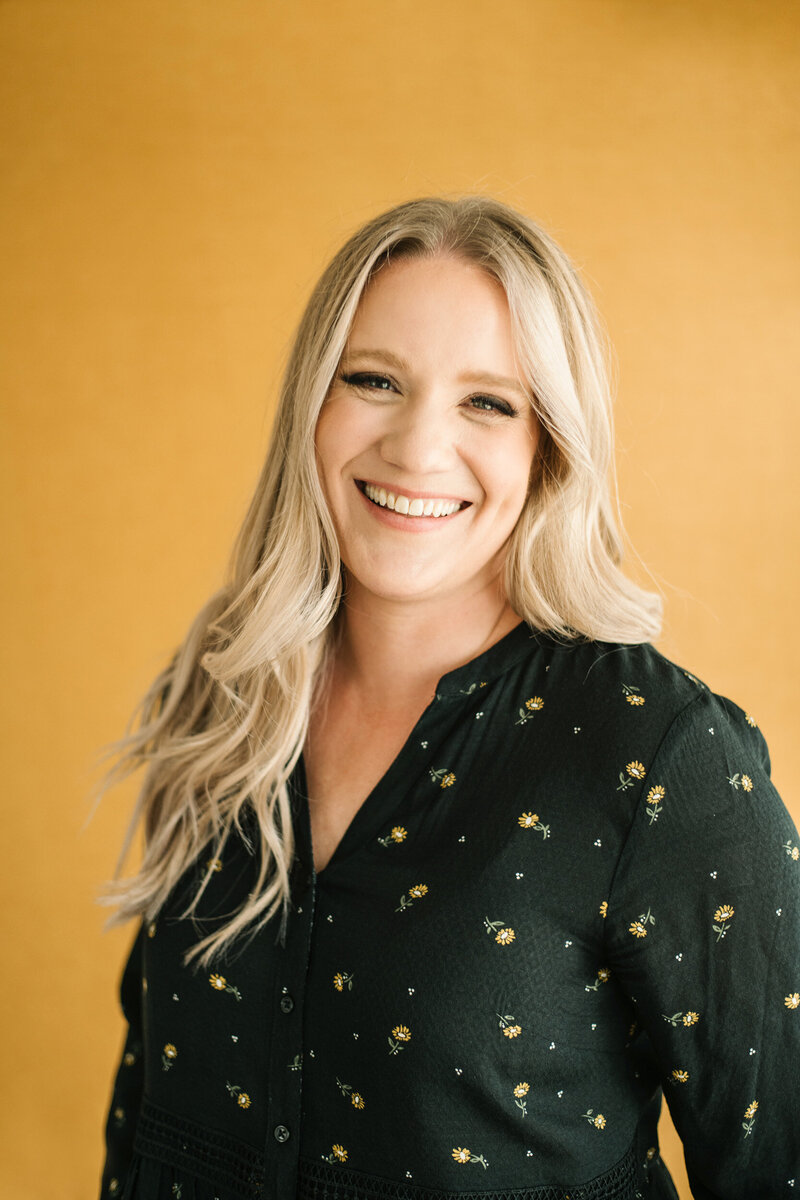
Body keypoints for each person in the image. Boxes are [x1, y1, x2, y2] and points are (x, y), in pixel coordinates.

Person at [98, 196, 799, 1200]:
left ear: (547, 448)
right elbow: (150, 1115)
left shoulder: (658, 759)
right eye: (374, 380)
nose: (417, 449)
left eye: (487, 403)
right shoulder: (221, 693)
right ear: (312, 402)